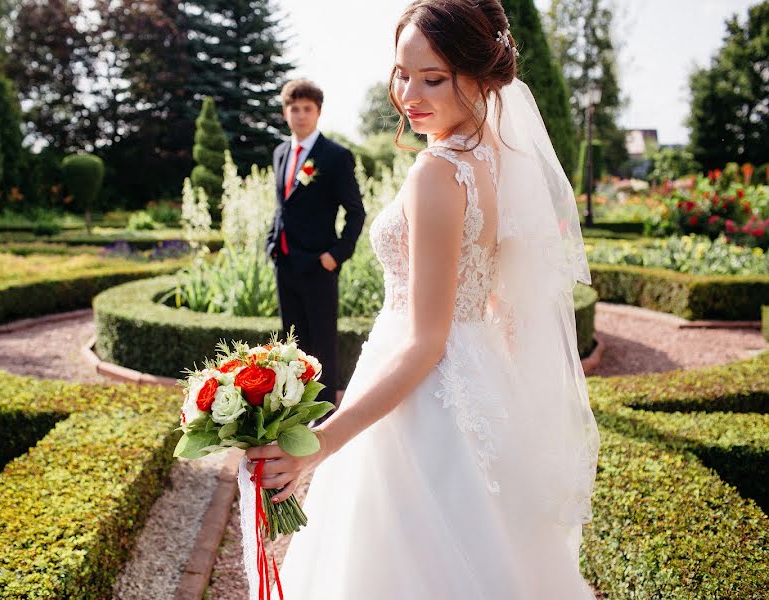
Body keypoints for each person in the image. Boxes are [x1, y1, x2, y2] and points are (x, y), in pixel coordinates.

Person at [246, 1, 600, 598]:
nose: (409, 93)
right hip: (472, 378)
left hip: (420, 396)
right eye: (402, 73)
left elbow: (427, 343)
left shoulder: (438, 171)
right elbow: (493, 304)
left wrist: (321, 446)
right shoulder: (493, 157)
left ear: (482, 76)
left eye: (432, 78)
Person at [266, 79, 365, 410]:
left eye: (307, 108)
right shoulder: (280, 152)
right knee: (292, 344)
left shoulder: (335, 156)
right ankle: (295, 412)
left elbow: (356, 212)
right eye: (294, 108)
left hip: (319, 266)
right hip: (285, 262)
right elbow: (283, 205)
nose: (300, 114)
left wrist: (336, 255)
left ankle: (323, 419)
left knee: (322, 344)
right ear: (285, 113)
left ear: (318, 113)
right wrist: (271, 242)